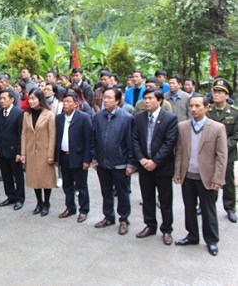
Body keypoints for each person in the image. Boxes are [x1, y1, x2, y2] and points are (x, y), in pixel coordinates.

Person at [174, 94, 227, 256]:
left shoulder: (217, 128)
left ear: (206, 107)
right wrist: (177, 173)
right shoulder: (183, 127)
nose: (194, 109)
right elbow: (179, 152)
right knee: (189, 208)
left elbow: (222, 156)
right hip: (188, 175)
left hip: (208, 178)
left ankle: (211, 240)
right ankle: (192, 235)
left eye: (198, 106)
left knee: (208, 210)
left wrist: (218, 178)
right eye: (191, 106)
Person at [132, 88, 178, 245]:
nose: (147, 101)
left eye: (150, 98)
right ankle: (150, 225)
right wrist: (142, 159)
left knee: (165, 200)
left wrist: (155, 161)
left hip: (162, 167)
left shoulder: (170, 118)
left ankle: (167, 230)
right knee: (147, 198)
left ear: (160, 101)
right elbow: (135, 140)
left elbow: (169, 142)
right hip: (144, 167)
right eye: (145, 98)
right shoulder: (139, 118)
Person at [91, 88, 136, 235]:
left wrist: (130, 164)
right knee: (106, 192)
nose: (106, 100)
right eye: (105, 97)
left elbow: (131, 143)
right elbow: (94, 140)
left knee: (122, 193)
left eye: (110, 98)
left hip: (120, 164)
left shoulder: (127, 118)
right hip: (103, 163)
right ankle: (108, 216)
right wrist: (95, 158)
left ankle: (124, 219)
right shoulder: (98, 117)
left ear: (117, 100)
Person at [54, 92, 92, 222]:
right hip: (64, 156)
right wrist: (56, 157)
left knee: (81, 186)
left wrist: (87, 160)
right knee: (67, 185)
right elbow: (57, 138)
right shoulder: (59, 118)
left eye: (69, 102)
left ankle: (84, 210)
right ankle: (70, 207)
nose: (65, 104)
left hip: (79, 157)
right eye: (64, 101)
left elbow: (88, 140)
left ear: (76, 104)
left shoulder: (84, 118)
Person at [206, 79, 238, 223]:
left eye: (220, 92)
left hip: (227, 154)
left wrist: (223, 148)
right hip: (208, 153)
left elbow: (236, 135)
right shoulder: (207, 111)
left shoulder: (234, 112)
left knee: (228, 182)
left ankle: (230, 208)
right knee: (208, 180)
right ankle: (207, 205)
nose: (216, 95)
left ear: (227, 96)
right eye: (215, 92)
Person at [21, 88, 56, 217]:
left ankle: (46, 203)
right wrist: (23, 153)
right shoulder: (26, 115)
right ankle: (39, 202)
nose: (30, 101)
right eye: (29, 99)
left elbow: (52, 135)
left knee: (45, 179)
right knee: (34, 178)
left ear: (40, 99)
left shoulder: (49, 114)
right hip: (31, 151)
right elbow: (24, 134)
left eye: (33, 98)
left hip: (45, 151)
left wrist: (51, 154)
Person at [0, 90, 25, 211]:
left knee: (18, 176)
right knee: (6, 176)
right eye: (0, 98)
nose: (1, 101)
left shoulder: (19, 113)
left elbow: (20, 134)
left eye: (4, 98)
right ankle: (10, 196)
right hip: (2, 149)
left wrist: (19, 152)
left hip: (14, 150)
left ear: (12, 99)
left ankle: (20, 198)